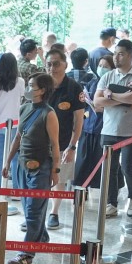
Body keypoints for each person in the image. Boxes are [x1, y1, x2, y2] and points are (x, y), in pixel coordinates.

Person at [3, 74, 61, 264]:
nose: (28, 88)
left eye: (31, 85)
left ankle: (27, 253)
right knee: (29, 207)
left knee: (34, 210)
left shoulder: (49, 113)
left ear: (42, 90)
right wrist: (8, 161)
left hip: (41, 167)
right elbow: (18, 137)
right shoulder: (24, 107)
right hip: (21, 165)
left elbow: (55, 144)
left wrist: (55, 170)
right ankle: (41, 235)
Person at [93, 39, 132, 217]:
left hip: (131, 130)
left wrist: (112, 96)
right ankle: (111, 202)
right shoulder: (108, 76)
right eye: (115, 53)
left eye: (121, 54)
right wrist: (124, 97)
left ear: (130, 55)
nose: (116, 57)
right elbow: (97, 102)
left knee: (127, 166)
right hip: (109, 130)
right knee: (110, 169)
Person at [43, 49, 85, 231]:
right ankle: (37, 213)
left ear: (65, 65)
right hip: (41, 142)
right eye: (49, 64)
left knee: (59, 178)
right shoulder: (41, 85)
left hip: (63, 142)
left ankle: (54, 212)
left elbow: (79, 120)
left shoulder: (74, 88)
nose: (52, 68)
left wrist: (72, 145)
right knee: (39, 178)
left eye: (56, 64)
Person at [74, 54, 110, 191]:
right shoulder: (92, 82)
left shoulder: (112, 85)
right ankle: (82, 187)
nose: (102, 69)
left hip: (103, 127)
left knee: (99, 159)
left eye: (106, 67)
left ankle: (99, 186)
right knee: (83, 158)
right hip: (88, 124)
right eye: (100, 66)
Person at [0, 53, 25, 189]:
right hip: (15, 123)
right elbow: (21, 99)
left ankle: (1, 187)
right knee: (15, 156)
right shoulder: (20, 81)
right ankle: (16, 188)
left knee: (0, 156)